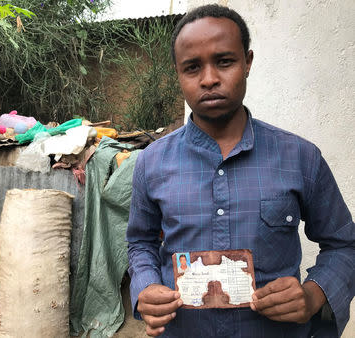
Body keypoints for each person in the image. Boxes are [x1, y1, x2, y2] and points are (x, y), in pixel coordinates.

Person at [126, 4, 354, 337]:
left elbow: (345, 245)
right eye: (192, 67)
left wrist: (313, 294)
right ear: (178, 73)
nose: (209, 79)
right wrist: (145, 287)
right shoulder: (152, 162)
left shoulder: (300, 157)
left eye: (224, 61)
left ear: (247, 62)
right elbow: (140, 242)